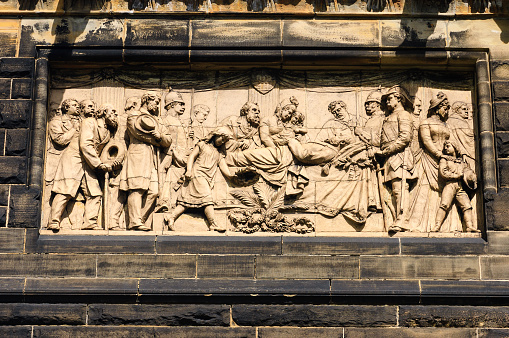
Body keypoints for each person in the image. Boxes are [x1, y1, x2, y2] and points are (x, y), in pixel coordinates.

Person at [49, 100, 116, 231]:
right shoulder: (89, 122)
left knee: (95, 193)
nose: (115, 114)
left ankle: (89, 222)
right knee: (65, 189)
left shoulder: (106, 130)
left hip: (88, 162)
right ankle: (54, 220)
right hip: (74, 159)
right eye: (112, 112)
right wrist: (98, 164)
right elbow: (85, 144)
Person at [120, 91, 172, 231]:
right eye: (155, 101)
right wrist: (157, 140)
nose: (156, 105)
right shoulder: (134, 116)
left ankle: (140, 219)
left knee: (154, 192)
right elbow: (137, 133)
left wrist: (160, 137)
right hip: (138, 154)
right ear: (146, 100)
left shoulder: (156, 120)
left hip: (152, 158)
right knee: (137, 188)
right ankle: (134, 222)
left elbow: (168, 140)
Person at [164, 127, 234, 232]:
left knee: (186, 202)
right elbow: (191, 157)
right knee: (208, 199)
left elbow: (226, 171)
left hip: (206, 178)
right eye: (222, 138)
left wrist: (234, 176)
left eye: (225, 141)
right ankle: (213, 223)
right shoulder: (202, 145)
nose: (222, 142)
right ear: (215, 135)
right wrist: (189, 170)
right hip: (197, 175)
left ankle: (171, 217)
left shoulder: (219, 154)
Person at [408, 91, 453, 232]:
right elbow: (427, 141)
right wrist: (439, 154)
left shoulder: (446, 125)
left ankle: (441, 225)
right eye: (445, 108)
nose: (446, 111)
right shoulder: (425, 123)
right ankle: (418, 225)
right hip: (429, 160)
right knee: (423, 190)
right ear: (437, 107)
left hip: (445, 162)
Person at [377, 85, 416, 233]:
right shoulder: (389, 117)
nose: (387, 102)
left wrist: (386, 151)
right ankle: (397, 218)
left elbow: (404, 138)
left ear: (399, 98)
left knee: (400, 188)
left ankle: (403, 219)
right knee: (394, 190)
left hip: (400, 156)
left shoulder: (404, 115)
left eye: (390, 98)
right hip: (389, 156)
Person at [433, 141, 479, 233]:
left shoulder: (462, 162)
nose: (445, 148)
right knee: (444, 205)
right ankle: (437, 226)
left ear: (455, 147)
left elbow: (468, 171)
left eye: (448, 146)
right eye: (445, 146)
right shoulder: (444, 160)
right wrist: (457, 176)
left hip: (460, 187)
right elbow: (443, 172)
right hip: (450, 185)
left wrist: (472, 177)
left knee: (467, 206)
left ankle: (469, 226)